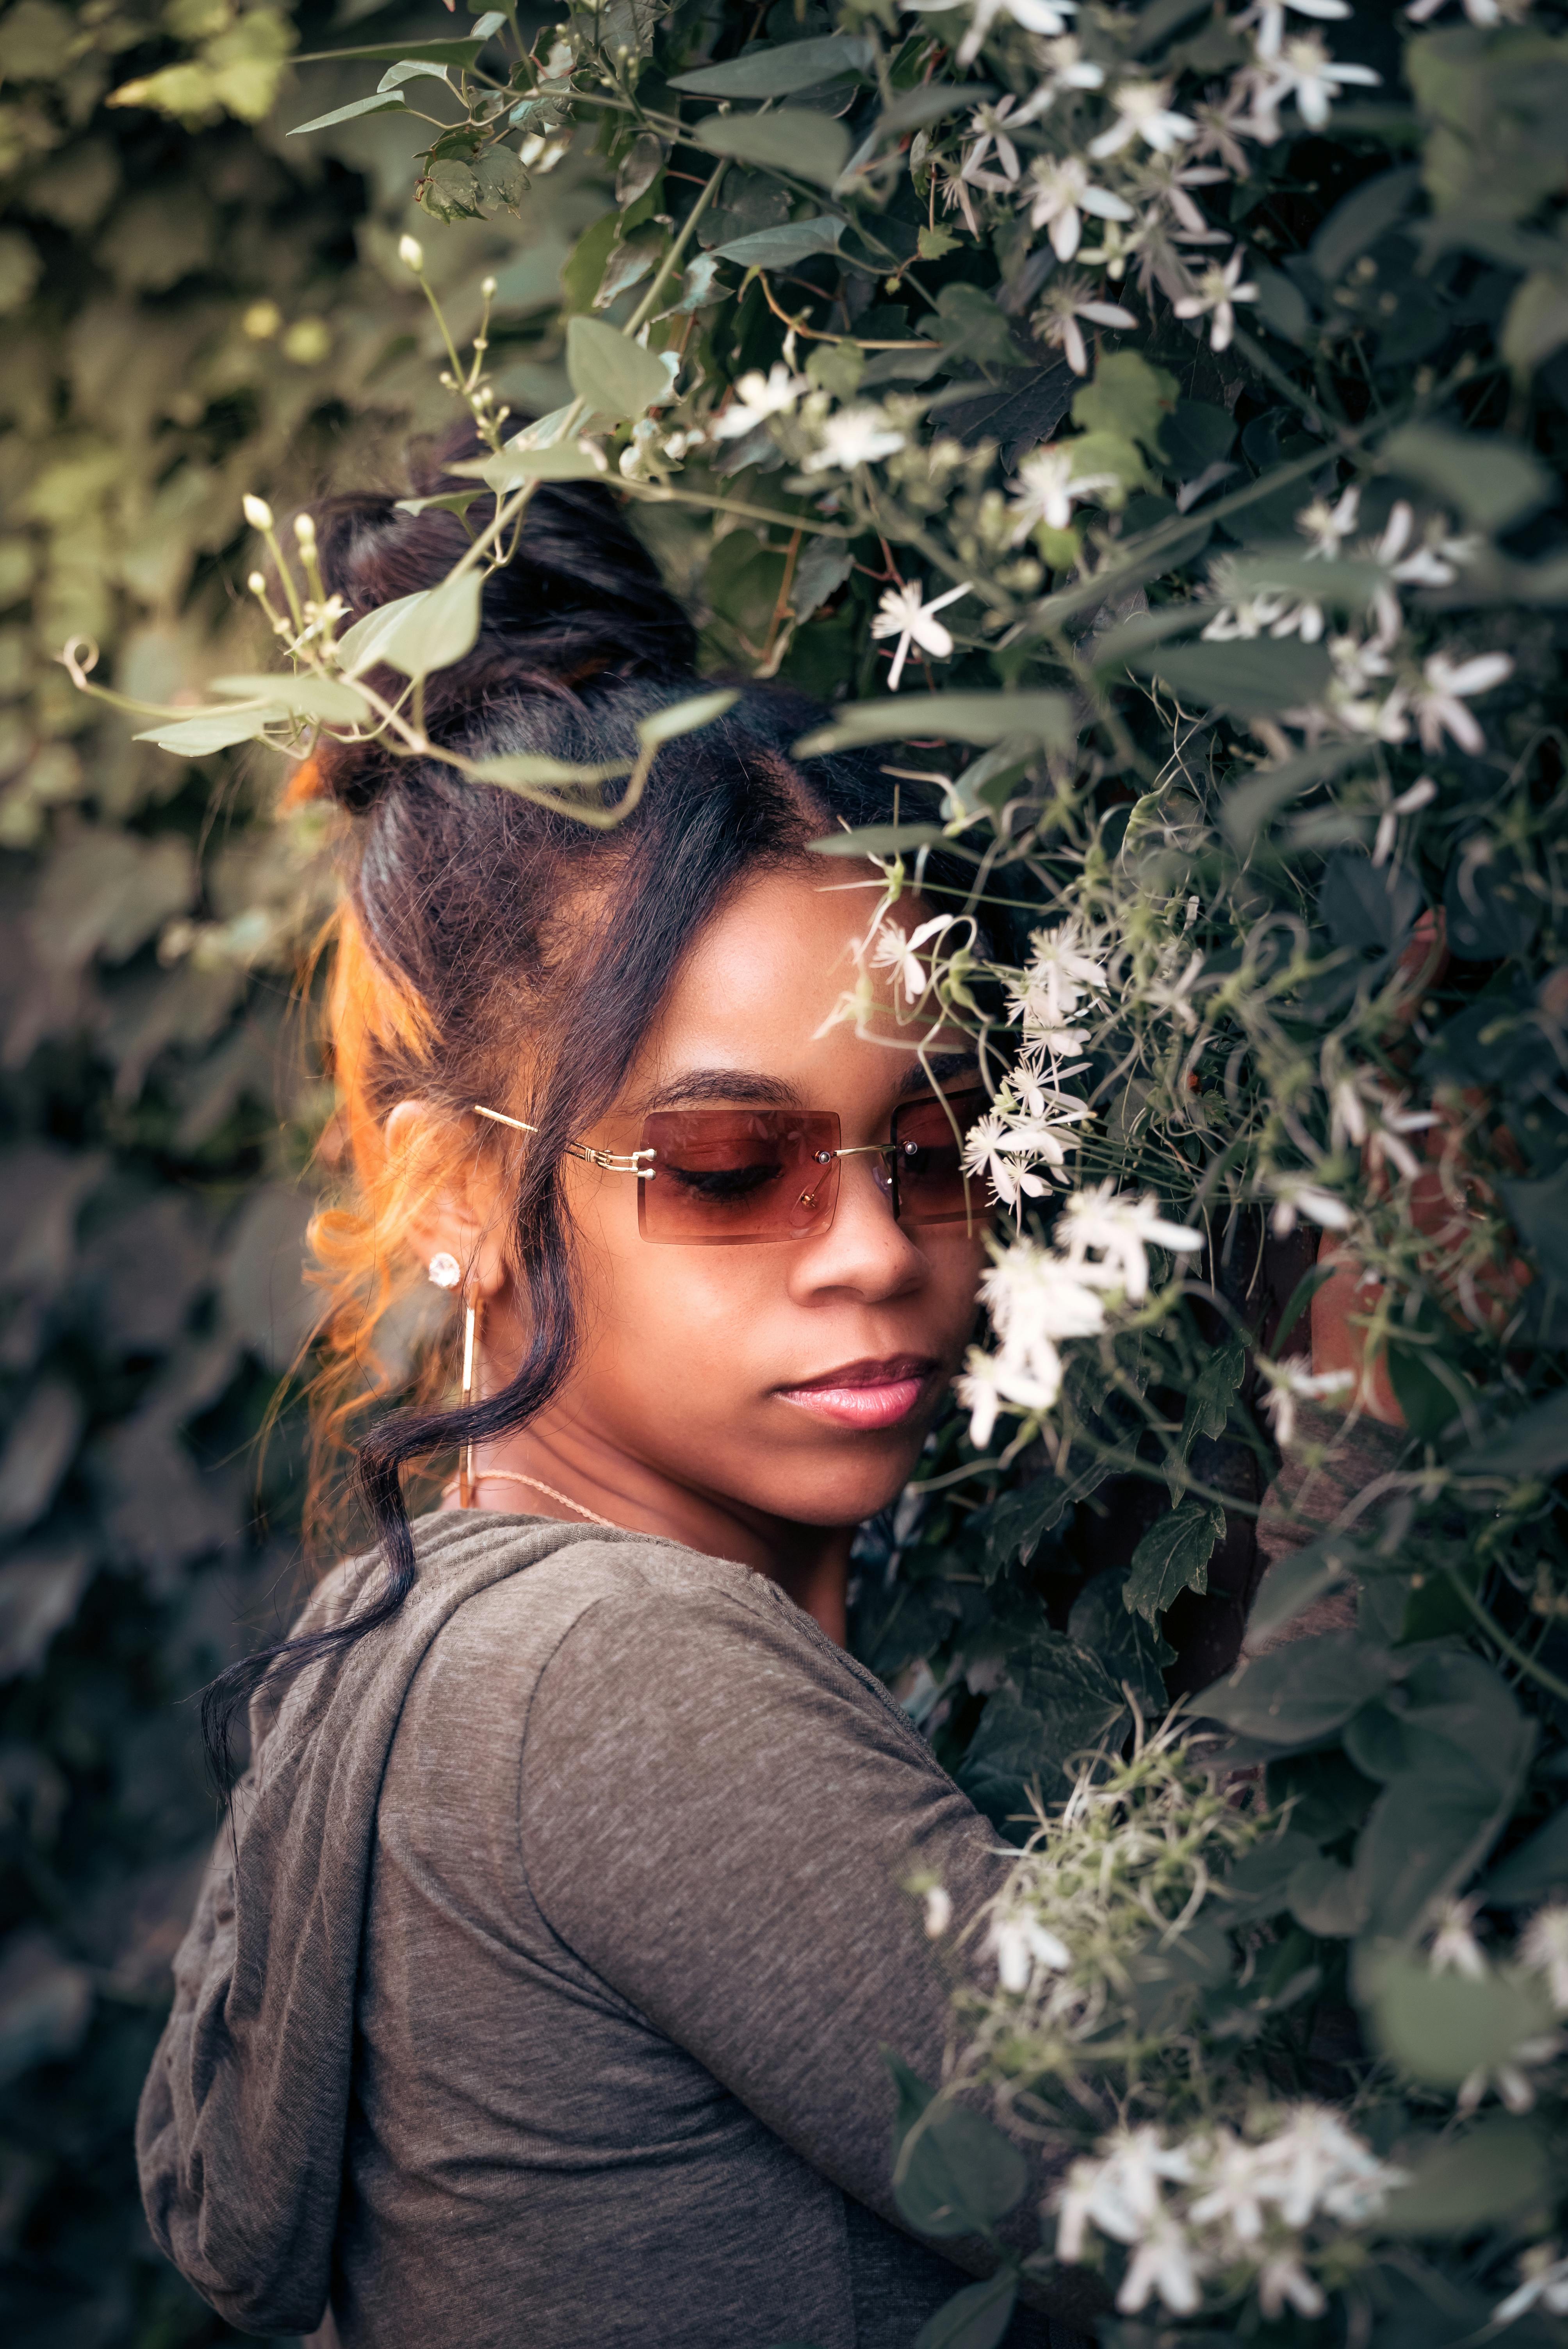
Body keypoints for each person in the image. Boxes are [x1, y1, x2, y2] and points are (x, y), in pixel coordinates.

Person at [136, 446, 1399, 2349]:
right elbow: (1214, 2170)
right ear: (455, 1194)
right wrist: (1372, 1421)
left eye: (933, 1143)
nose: (875, 1250)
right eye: (730, 1169)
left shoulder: (391, 1642)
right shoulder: (611, 1679)